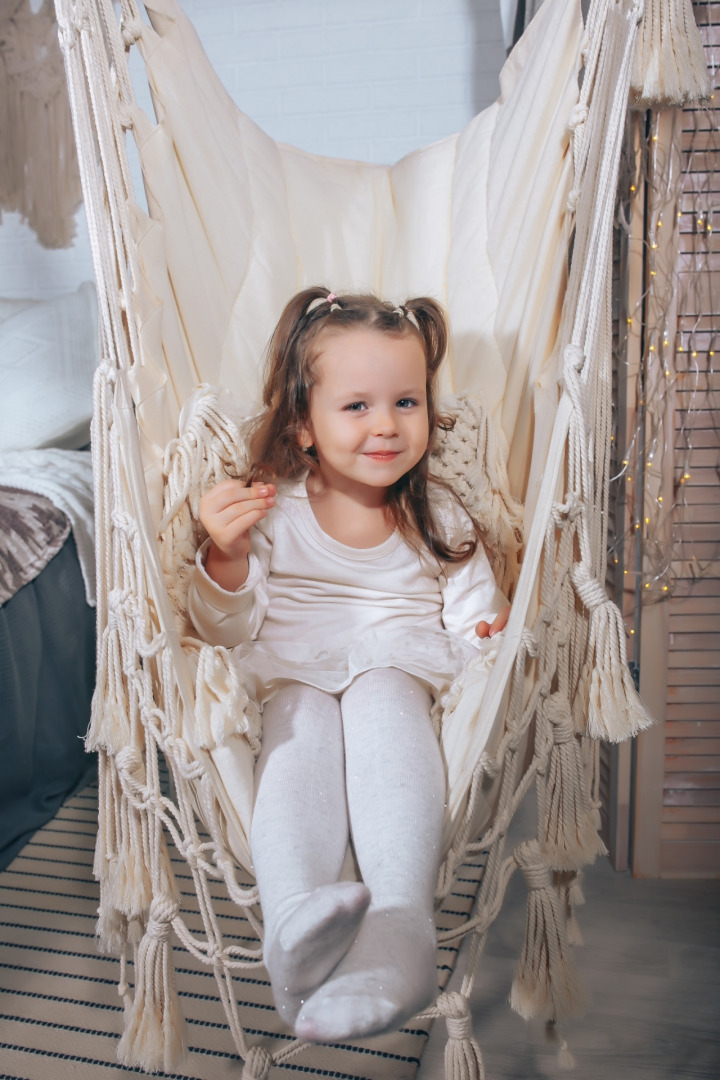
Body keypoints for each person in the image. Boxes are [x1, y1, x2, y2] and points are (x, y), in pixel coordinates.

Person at [187, 287, 510, 1043]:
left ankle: (400, 923)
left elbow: (473, 620)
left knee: (385, 705)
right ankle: (296, 916)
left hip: (398, 667)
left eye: (406, 401)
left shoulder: (439, 514)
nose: (388, 426)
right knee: (296, 737)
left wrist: (492, 636)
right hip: (293, 671)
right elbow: (222, 626)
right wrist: (225, 555)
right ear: (302, 423)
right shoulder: (274, 511)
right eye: (357, 406)